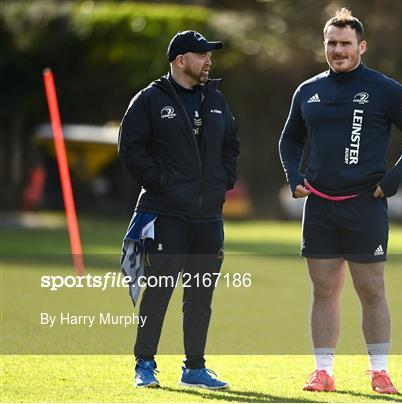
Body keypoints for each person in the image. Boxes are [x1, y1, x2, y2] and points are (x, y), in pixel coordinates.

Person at [279, 8, 402, 394]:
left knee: (372, 290)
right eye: (331, 43)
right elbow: (289, 139)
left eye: (345, 43)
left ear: (361, 46)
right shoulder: (308, 90)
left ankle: (380, 372)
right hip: (320, 207)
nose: (338, 50)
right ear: (324, 46)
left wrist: (393, 178)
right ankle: (322, 372)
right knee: (324, 290)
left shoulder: (384, 88)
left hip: (365, 204)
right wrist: (294, 177)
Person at [118, 30, 239, 389]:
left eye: (209, 55)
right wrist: (161, 184)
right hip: (165, 213)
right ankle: (144, 364)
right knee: (158, 291)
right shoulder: (149, 100)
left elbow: (231, 144)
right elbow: (130, 149)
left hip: (208, 216)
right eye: (201, 55)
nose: (208, 61)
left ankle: (195, 367)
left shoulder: (216, 99)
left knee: (201, 295)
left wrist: (223, 181)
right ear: (180, 60)